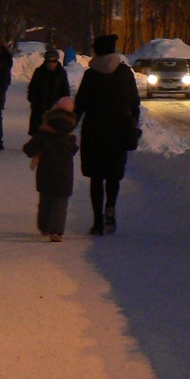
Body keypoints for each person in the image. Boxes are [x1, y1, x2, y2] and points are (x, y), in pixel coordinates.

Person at [73, 34, 141, 236]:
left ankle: (97, 222)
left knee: (96, 177)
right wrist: (133, 123)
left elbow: (81, 104)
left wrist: (69, 124)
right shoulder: (124, 73)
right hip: (118, 131)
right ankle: (110, 206)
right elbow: (134, 101)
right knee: (113, 174)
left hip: (94, 131)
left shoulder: (91, 75)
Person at [22, 96, 79, 242]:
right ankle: (57, 231)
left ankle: (44, 226)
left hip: (45, 173)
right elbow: (74, 150)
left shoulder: (43, 134)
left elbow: (29, 149)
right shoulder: (69, 139)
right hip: (64, 175)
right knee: (60, 203)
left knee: (45, 201)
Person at [27, 49, 71, 136]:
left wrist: (63, 104)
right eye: (49, 61)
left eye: (53, 61)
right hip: (40, 106)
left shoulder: (61, 73)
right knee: (38, 130)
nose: (51, 63)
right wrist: (34, 100)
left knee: (53, 130)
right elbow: (32, 88)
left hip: (55, 107)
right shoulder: (39, 72)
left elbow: (65, 90)